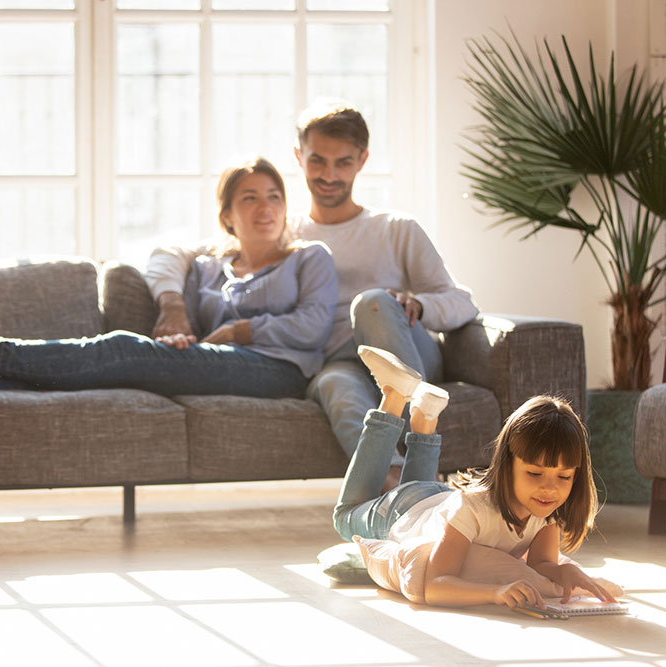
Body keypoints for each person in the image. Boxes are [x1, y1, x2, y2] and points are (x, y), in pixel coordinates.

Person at [146, 101, 479, 489]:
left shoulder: (396, 229)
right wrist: (172, 303)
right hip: (342, 362)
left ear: (362, 161)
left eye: (343, 163)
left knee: (370, 303)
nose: (329, 175)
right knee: (333, 385)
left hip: (404, 350)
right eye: (317, 161)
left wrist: (419, 304)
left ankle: (424, 453)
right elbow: (173, 253)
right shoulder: (285, 233)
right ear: (299, 157)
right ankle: (405, 489)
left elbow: (462, 303)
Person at [0, 156, 338, 399]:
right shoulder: (205, 268)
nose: (267, 208)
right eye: (251, 198)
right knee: (108, 370)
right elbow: (188, 310)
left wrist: (242, 330)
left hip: (279, 371)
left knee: (123, 348)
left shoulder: (309, 258)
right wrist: (181, 330)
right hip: (217, 363)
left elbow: (313, 327)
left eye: (275, 196)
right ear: (227, 215)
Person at [336, 345, 618, 609]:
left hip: (434, 499)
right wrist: (495, 593)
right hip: (400, 511)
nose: (550, 488)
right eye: (535, 473)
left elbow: (540, 564)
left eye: (564, 477)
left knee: (417, 490)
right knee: (344, 518)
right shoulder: (473, 510)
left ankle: (426, 417)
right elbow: (435, 586)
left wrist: (562, 569)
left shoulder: (546, 509)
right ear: (507, 464)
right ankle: (394, 397)